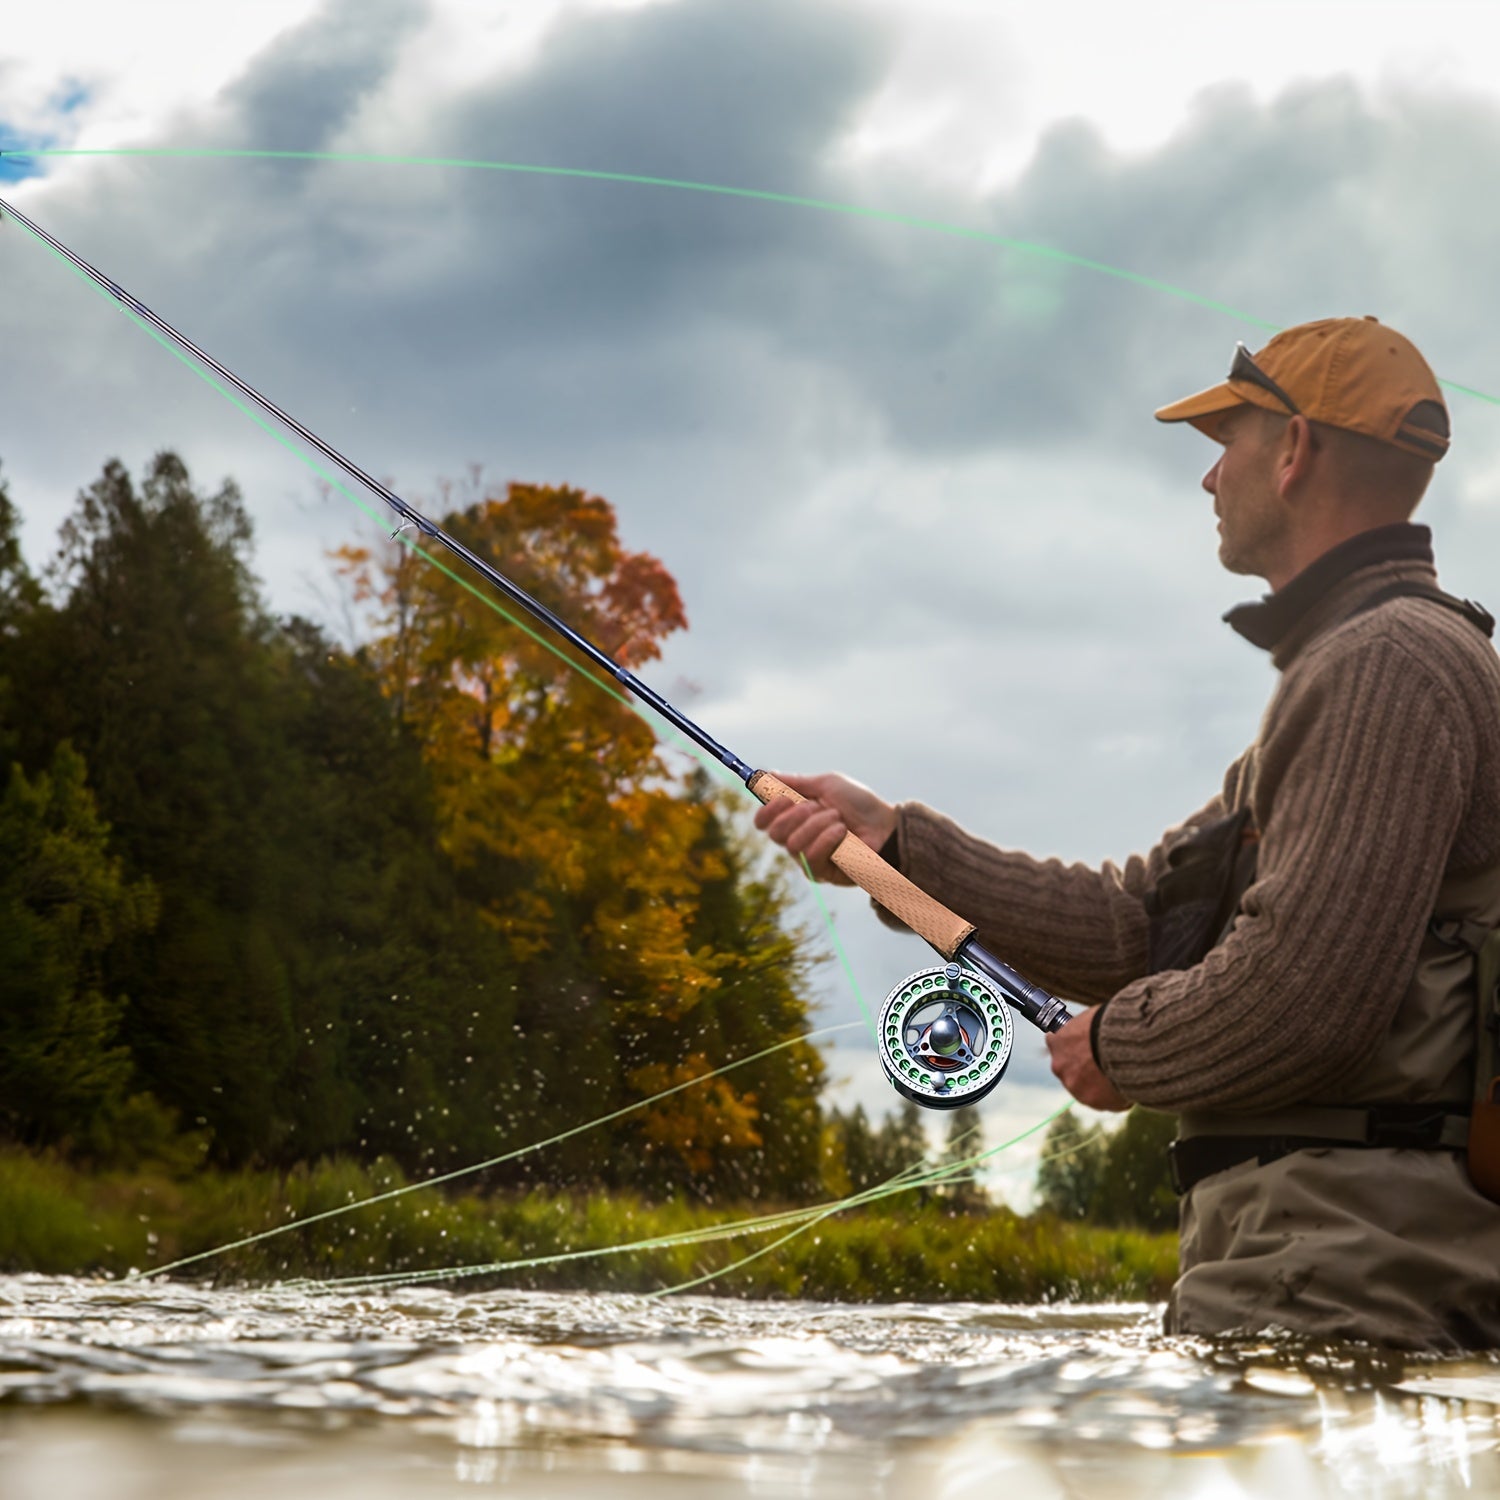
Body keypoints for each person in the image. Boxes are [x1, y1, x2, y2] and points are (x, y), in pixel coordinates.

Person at [755, 317, 1500, 1350]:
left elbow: (1306, 998)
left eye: (1225, 442)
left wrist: (1121, 1044)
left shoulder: (1387, 666)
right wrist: (898, 853)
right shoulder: (1355, 671)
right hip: (1316, 1277)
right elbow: (1138, 928)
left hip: (1350, 1292)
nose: (1208, 481)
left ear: (1294, 453)